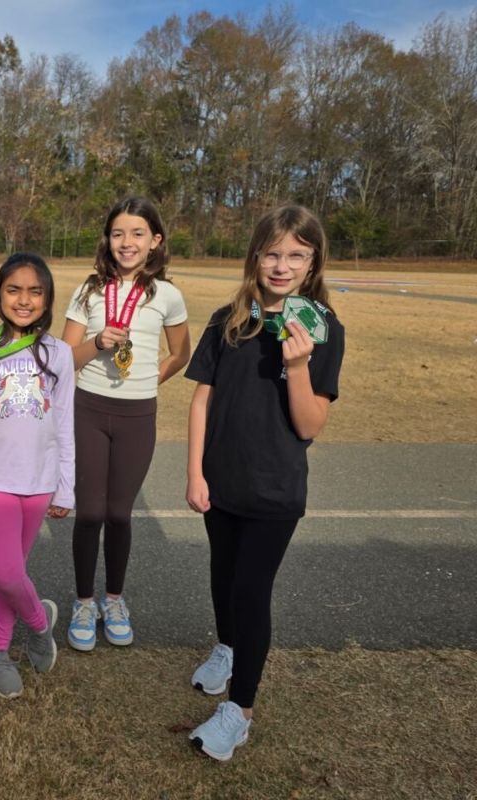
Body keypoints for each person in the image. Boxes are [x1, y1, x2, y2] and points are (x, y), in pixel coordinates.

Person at [184, 204, 345, 761]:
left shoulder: (321, 328)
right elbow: (201, 400)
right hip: (220, 480)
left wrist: (297, 366)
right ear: (255, 256)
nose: (282, 265)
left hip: (275, 488)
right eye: (272, 253)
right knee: (223, 578)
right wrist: (195, 471)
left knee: (251, 592)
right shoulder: (229, 319)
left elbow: (310, 425)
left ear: (313, 262)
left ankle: (240, 711)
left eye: (296, 255)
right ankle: (228, 649)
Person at [61, 197, 190, 651]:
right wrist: (97, 341)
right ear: (107, 239)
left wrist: (150, 378)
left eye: (138, 233)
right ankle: (83, 602)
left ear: (155, 240)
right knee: (89, 513)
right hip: (89, 410)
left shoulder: (167, 295)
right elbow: (64, 358)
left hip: (138, 415)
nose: (127, 242)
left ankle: (114, 600)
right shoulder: (89, 290)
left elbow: (181, 353)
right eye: (118, 233)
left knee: (118, 513)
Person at [0, 253, 75, 699]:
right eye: (14, 290)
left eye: (35, 292)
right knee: (6, 573)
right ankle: (39, 623)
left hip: (39, 479)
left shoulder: (59, 353)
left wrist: (66, 486)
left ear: (47, 299)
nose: (24, 300)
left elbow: (64, 423)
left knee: (13, 572)